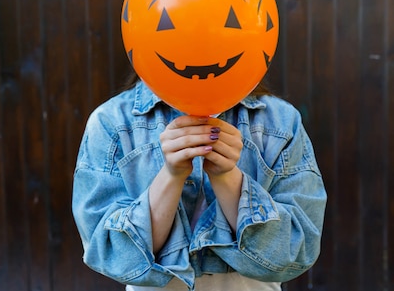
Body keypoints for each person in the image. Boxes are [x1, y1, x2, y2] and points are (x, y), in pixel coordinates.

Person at [72, 73, 327, 290]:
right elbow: (110, 254)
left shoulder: (281, 121)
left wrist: (227, 177)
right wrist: (171, 175)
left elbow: (297, 251)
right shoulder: (112, 122)